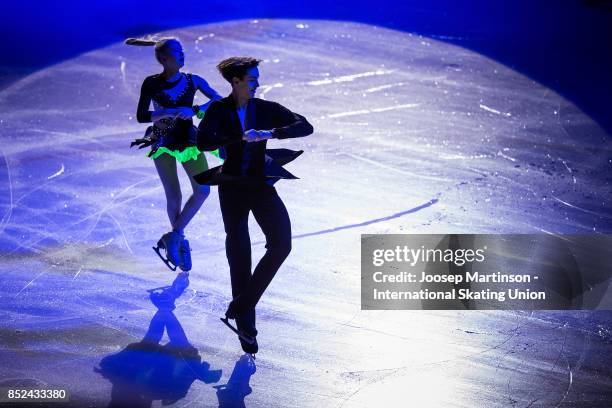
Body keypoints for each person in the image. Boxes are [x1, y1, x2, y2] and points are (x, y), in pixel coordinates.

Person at [196, 57, 313, 354]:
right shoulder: (219, 110)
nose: (257, 84)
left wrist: (270, 133)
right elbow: (203, 143)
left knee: (281, 243)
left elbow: (305, 126)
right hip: (232, 185)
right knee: (239, 253)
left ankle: (243, 304)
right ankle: (246, 327)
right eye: (252, 79)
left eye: (257, 79)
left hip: (260, 184)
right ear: (236, 82)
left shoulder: (264, 109)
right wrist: (239, 137)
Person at [126, 37, 222, 271]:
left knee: (202, 190)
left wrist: (196, 109)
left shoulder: (193, 81)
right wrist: (165, 112)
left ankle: (175, 236)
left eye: (183, 51)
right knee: (174, 196)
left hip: (189, 140)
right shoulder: (151, 83)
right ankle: (178, 241)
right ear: (165, 59)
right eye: (178, 52)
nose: (183, 55)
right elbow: (141, 115)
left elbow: (219, 100)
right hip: (162, 140)